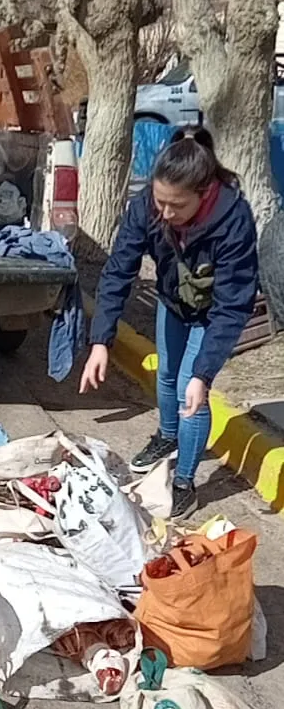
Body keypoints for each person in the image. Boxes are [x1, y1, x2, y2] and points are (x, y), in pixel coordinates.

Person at [80, 128, 258, 519]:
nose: (165, 213)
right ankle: (167, 436)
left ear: (204, 193)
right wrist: (101, 341)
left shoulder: (234, 219)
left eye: (176, 205)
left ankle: (184, 484)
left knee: (189, 391)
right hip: (173, 301)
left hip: (212, 314)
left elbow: (233, 305)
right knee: (166, 374)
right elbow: (118, 271)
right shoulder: (146, 206)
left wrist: (204, 373)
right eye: (160, 201)